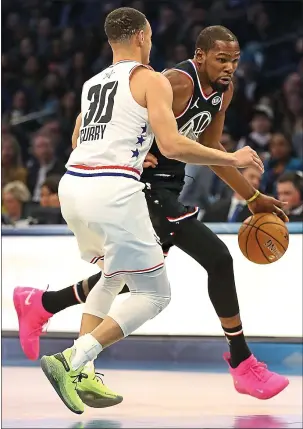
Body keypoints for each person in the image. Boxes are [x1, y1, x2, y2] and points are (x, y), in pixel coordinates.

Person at [14, 16, 288, 412]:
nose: (230, 66)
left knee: (121, 279)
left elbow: (210, 151)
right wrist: (138, 155)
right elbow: (93, 131)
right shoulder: (171, 82)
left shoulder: (222, 93)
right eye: (222, 59)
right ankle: (242, 361)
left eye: (236, 59)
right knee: (214, 260)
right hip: (144, 191)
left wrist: (252, 196)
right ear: (200, 56)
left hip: (151, 189)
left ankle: (44, 306)